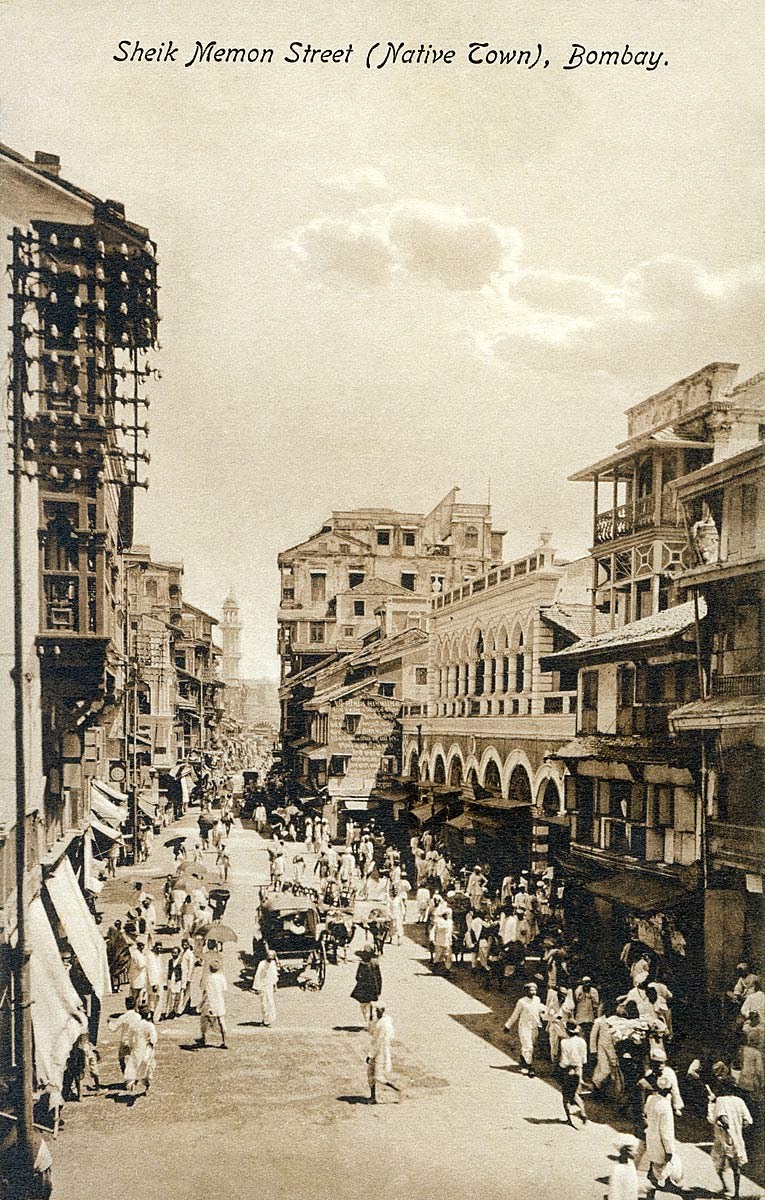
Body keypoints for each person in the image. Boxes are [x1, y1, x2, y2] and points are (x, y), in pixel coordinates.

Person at [707, 1084, 753, 1200]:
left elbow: (714, 1119)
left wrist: (711, 1104)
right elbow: (748, 1121)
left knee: (718, 1163)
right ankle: (736, 1193)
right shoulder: (739, 1101)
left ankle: (725, 1186)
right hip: (737, 1139)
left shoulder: (721, 1101)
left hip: (723, 1138)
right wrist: (737, 1127)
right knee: (736, 1167)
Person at [643, 1073, 683, 1194]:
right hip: (661, 1146)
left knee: (653, 1169)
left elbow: (645, 1115)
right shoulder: (665, 1106)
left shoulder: (651, 1099)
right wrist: (669, 1151)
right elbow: (666, 1132)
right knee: (665, 1173)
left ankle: (651, 1192)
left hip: (651, 1141)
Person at [504, 982, 547, 1077]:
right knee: (528, 1046)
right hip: (524, 1027)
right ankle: (529, 1067)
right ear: (526, 991)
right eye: (531, 990)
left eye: (534, 990)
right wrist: (508, 1025)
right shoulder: (521, 1002)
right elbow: (515, 1014)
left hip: (534, 1027)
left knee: (530, 1045)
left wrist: (546, 1011)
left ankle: (524, 1059)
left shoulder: (537, 999)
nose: (533, 992)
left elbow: (539, 1009)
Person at [107, 995, 144, 1091]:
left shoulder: (123, 1017)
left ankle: (129, 1079)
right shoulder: (138, 1016)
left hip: (125, 1042)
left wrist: (109, 1022)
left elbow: (113, 1029)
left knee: (122, 1061)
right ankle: (134, 1078)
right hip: (135, 1041)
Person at [559, 1020, 588, 1126]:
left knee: (566, 1095)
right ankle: (583, 1112)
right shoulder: (582, 1042)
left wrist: (561, 1068)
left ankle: (569, 1120)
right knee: (576, 1092)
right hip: (579, 1068)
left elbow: (564, 1061)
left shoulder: (564, 1042)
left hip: (568, 1070)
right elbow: (584, 1060)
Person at [367, 1004, 398, 1104]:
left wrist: (371, 1054)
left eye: (378, 1011)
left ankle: (397, 1088)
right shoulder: (382, 1022)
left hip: (380, 1052)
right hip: (379, 1050)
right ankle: (373, 1097)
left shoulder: (383, 1024)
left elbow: (378, 1041)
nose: (377, 1012)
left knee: (378, 1076)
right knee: (370, 1075)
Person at [351, 947, 382, 1028]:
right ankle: (372, 1021)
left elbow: (357, 977)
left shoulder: (362, 964)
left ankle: (367, 1022)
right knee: (371, 1005)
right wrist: (379, 989)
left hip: (363, 988)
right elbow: (379, 977)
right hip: (373, 987)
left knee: (363, 1006)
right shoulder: (375, 963)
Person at [199, 961, 228, 1048]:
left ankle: (203, 1039)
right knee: (221, 1021)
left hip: (210, 1001)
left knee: (204, 1020)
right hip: (219, 1001)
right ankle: (224, 1041)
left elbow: (204, 990)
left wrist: (201, 1003)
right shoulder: (221, 977)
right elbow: (224, 989)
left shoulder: (208, 978)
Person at [252, 950, 279, 1026]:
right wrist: (256, 987)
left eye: (272, 956)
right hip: (262, 986)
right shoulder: (262, 963)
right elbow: (257, 975)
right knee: (264, 1004)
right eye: (269, 956)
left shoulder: (273, 964)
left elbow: (274, 975)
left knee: (270, 1002)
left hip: (269, 986)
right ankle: (266, 1021)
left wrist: (275, 986)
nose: (270, 957)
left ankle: (269, 1019)